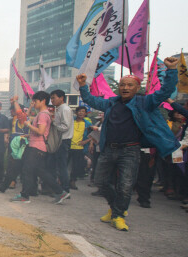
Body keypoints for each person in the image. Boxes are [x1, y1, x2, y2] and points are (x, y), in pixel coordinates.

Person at [77, 56, 180, 231]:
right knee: (101, 182)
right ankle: (114, 207)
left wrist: (171, 70)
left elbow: (165, 92)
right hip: (109, 150)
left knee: (125, 186)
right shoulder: (111, 103)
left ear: (136, 88)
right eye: (123, 85)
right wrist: (83, 86)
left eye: (129, 85)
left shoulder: (144, 102)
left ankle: (118, 216)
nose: (125, 88)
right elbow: (92, 101)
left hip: (130, 151)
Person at [11, 91, 68, 204]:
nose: (34, 103)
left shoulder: (42, 115)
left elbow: (41, 131)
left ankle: (25, 196)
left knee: (27, 170)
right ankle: (60, 192)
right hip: (39, 146)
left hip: (36, 147)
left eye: (35, 101)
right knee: (41, 172)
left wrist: (28, 125)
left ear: (42, 101)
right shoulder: (43, 114)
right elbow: (22, 116)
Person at [50, 90, 74, 194]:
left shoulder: (65, 109)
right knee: (56, 165)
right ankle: (59, 188)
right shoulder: (58, 109)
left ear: (61, 98)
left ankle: (65, 189)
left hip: (63, 140)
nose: (52, 100)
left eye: (54, 98)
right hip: (58, 140)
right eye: (51, 98)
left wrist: (53, 125)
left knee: (62, 166)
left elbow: (65, 126)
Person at [69, 106, 92, 189]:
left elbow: (92, 135)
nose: (81, 113)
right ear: (76, 112)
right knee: (65, 165)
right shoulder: (71, 121)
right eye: (79, 111)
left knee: (76, 166)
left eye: (83, 111)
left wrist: (86, 142)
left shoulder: (88, 124)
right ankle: (62, 181)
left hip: (79, 148)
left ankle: (73, 182)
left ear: (85, 113)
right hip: (69, 146)